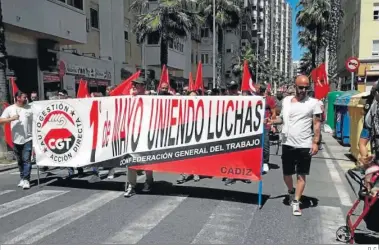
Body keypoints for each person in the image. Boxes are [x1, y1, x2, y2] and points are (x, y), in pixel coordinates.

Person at [270, 75, 322, 216]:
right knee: (287, 174)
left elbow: (316, 123)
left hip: (304, 144)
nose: (304, 90)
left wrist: (316, 142)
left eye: (306, 87)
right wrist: (271, 122)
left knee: (301, 175)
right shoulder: (286, 101)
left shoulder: (314, 103)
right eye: (301, 87)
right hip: (287, 142)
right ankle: (291, 191)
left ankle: (296, 202)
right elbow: (282, 119)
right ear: (295, 86)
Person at [124, 78, 154, 197]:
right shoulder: (130, 99)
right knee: (131, 158)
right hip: (132, 132)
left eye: (137, 85)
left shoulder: (150, 100)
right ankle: (132, 185)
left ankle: (149, 180)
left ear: (143, 86)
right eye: (134, 84)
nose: (135, 86)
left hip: (146, 132)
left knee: (147, 158)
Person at [0, 91, 33, 189]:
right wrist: (11, 119)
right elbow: (1, 120)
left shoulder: (30, 108)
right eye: (24, 97)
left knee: (27, 160)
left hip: (28, 138)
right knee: (19, 161)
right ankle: (22, 178)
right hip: (15, 139)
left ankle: (27, 179)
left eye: (26, 97)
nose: (26, 99)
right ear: (18, 98)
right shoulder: (10, 109)